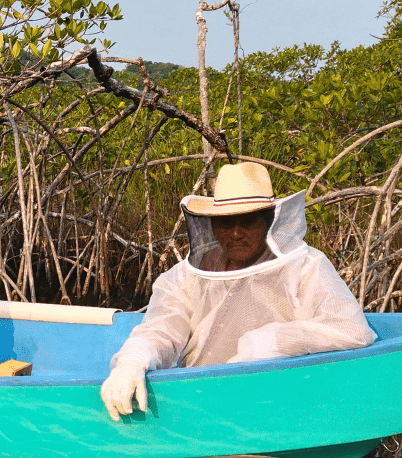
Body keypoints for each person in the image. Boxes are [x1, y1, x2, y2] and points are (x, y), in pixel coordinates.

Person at [100, 161, 376, 421]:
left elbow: (352, 329)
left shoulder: (306, 266)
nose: (236, 233)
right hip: (198, 397)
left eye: (248, 221)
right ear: (212, 227)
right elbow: (162, 329)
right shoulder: (185, 277)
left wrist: (274, 341)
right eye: (226, 222)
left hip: (276, 397)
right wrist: (133, 360)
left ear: (269, 223)